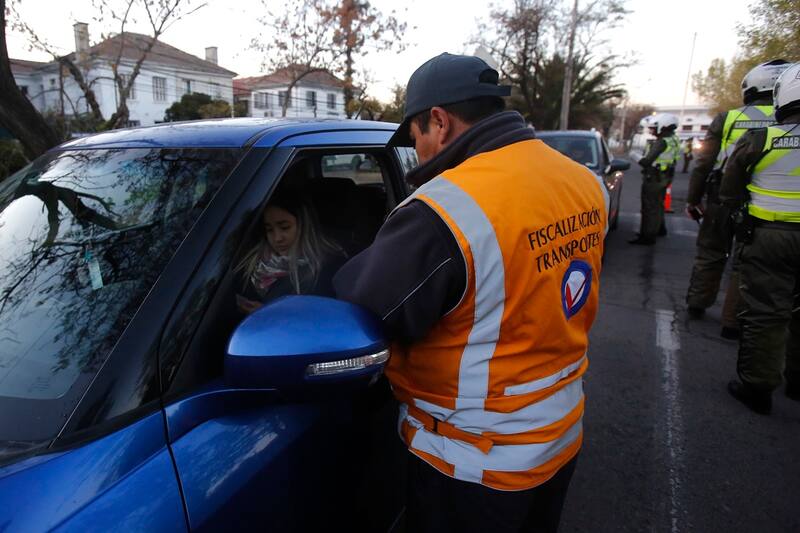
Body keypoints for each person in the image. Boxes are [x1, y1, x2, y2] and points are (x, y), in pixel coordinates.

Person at [333, 53, 607, 533]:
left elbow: (367, 310)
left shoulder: (445, 209)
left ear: (438, 121)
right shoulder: (581, 181)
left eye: (414, 136)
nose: (416, 151)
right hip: (559, 434)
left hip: (471, 460)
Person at [685, 60, 791, 334]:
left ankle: (697, 302)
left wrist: (693, 199)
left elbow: (704, 162)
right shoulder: (786, 119)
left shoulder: (728, 118)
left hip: (721, 197)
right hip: (759, 203)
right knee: (744, 263)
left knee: (710, 252)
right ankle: (732, 321)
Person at [718, 63, 800, 415]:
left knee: (766, 312)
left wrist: (732, 218)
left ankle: (758, 387)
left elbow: (730, 188)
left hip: (770, 235)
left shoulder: (762, 138)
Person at [235, 190, 345, 314]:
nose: (277, 238)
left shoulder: (327, 269)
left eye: (285, 227)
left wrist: (269, 314)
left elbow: (319, 319)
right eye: (269, 230)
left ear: (304, 225)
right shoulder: (252, 265)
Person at [630, 112, 679, 245]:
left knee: (649, 206)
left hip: (654, 177)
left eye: (654, 127)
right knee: (658, 204)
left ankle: (647, 236)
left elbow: (646, 161)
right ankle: (659, 229)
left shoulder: (662, 142)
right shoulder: (673, 139)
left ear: (663, 126)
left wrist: (634, 155)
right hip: (665, 175)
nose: (652, 130)